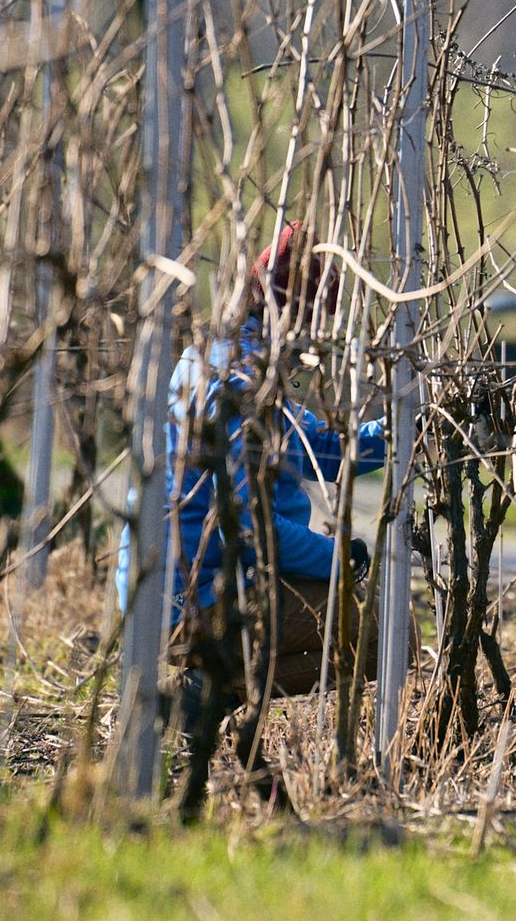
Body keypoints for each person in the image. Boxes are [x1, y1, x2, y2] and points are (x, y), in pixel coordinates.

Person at [118, 224, 387, 660]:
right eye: (317, 324)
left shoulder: (227, 359)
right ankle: (197, 699)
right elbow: (249, 528)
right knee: (387, 636)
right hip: (189, 598)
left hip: (163, 589)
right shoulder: (240, 386)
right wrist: (338, 557)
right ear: (292, 315)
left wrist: (410, 427)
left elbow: (325, 452)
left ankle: (207, 696)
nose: (317, 343)